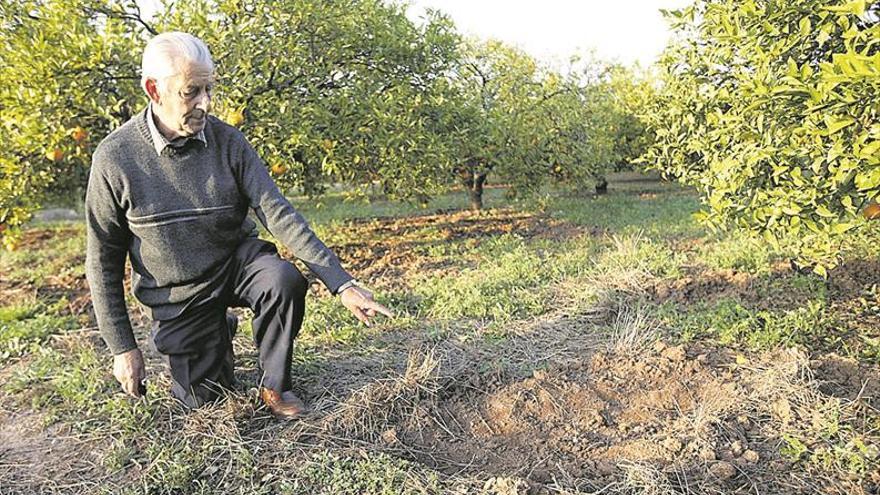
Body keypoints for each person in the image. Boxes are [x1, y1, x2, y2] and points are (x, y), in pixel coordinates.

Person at [84, 32, 392, 419]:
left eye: (209, 89)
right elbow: (102, 260)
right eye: (191, 91)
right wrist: (122, 348)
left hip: (234, 264)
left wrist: (341, 283)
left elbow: (278, 213)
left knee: (281, 279)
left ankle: (275, 386)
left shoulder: (229, 143)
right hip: (178, 294)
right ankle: (215, 330)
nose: (206, 103)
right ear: (153, 90)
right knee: (203, 401)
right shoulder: (115, 158)